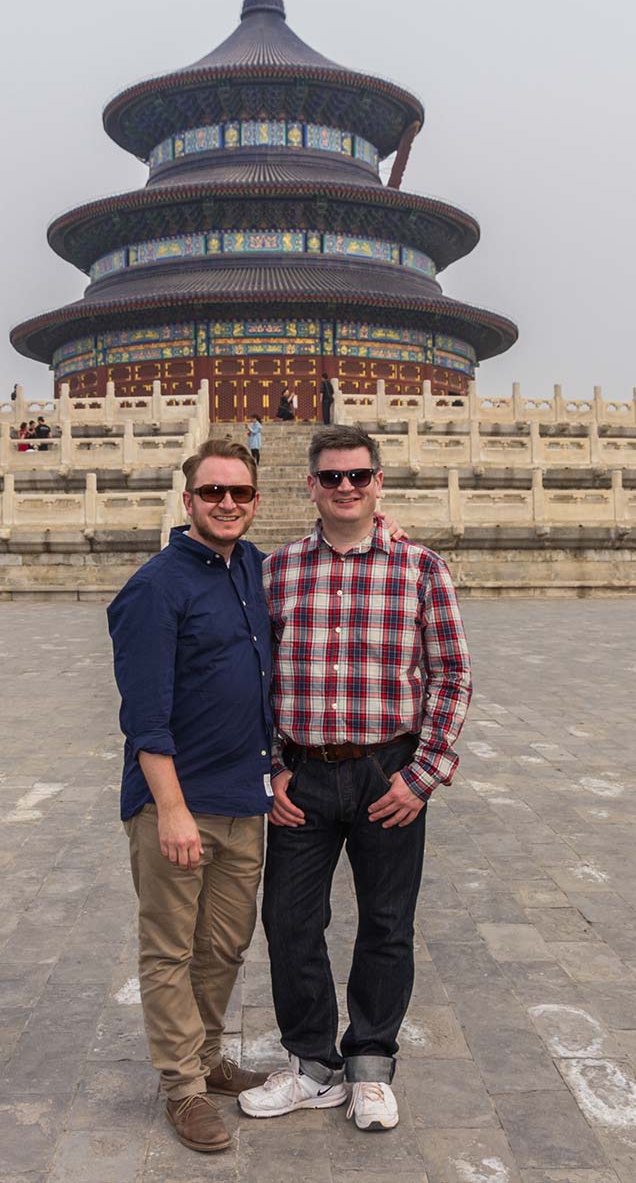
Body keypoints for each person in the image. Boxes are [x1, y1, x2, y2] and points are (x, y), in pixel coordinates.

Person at [240, 425, 472, 1133]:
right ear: (308, 485)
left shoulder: (420, 567)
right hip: (303, 775)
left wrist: (425, 772)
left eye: (359, 476)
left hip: (387, 772)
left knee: (387, 923)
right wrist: (270, 768)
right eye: (332, 476)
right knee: (288, 919)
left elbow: (452, 673)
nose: (346, 487)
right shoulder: (275, 571)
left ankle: (369, 1061)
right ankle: (312, 1063)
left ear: (380, 483)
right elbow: (251, 680)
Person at [107, 438, 274, 1154]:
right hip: (177, 802)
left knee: (227, 944)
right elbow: (144, 713)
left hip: (247, 798)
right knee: (170, 948)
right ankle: (182, 1086)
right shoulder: (157, 585)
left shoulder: (259, 571)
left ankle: (207, 1051)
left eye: (239, 492)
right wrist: (170, 806)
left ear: (255, 499)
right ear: (188, 501)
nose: (227, 503)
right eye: (213, 493)